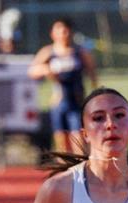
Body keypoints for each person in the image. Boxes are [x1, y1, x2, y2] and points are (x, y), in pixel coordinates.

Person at [29, 18, 97, 154]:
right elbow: (32, 71)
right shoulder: (48, 52)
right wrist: (46, 70)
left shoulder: (80, 52)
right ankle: (65, 170)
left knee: (78, 137)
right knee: (61, 139)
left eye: (66, 31)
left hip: (76, 101)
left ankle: (81, 169)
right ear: (53, 33)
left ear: (71, 32)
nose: (63, 34)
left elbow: (92, 74)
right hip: (59, 102)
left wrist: (94, 99)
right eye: (59, 31)